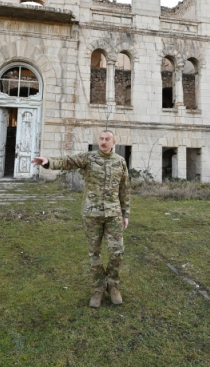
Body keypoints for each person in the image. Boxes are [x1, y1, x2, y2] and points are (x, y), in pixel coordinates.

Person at [32, 130, 130, 308]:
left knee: (117, 251)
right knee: (94, 253)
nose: (103, 142)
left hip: (113, 214)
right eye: (101, 139)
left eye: (107, 139)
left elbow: (124, 189)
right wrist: (48, 162)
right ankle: (99, 288)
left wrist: (126, 213)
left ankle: (113, 284)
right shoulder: (89, 158)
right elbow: (68, 162)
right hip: (91, 214)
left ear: (114, 142)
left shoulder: (120, 162)